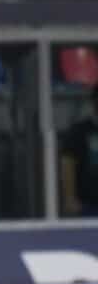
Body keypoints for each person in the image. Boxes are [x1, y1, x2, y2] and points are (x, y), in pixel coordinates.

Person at [61, 84, 98, 218]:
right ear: (94, 102)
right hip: (89, 204)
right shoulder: (79, 131)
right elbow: (67, 163)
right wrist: (70, 198)